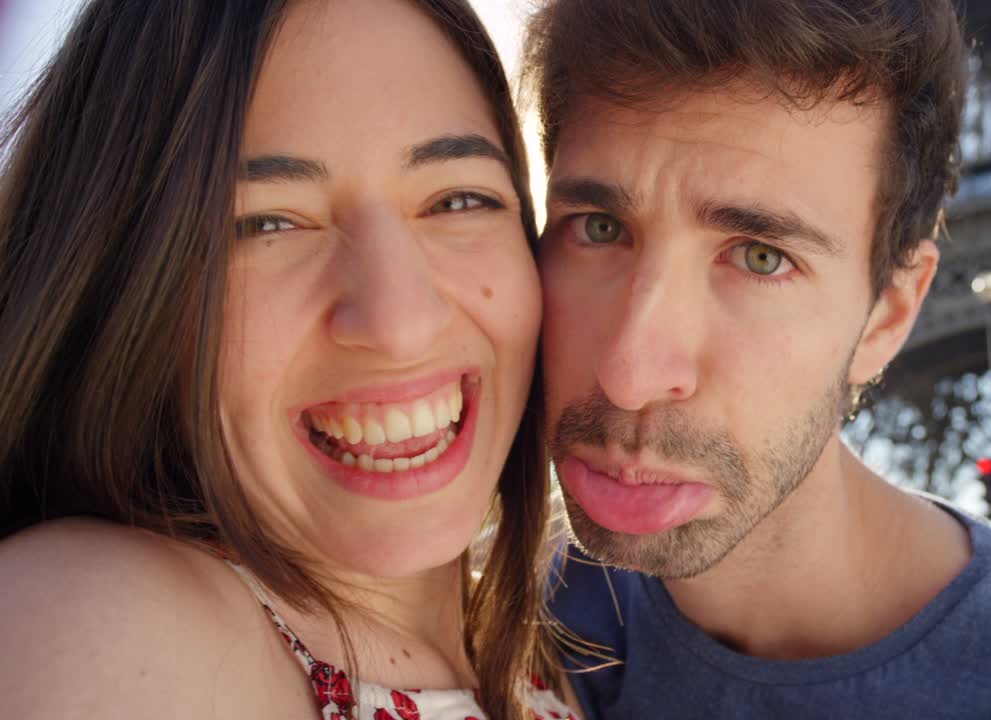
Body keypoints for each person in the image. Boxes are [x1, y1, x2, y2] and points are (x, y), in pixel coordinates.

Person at [523, 1, 991, 717]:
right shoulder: (490, 614)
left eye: (761, 258)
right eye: (598, 228)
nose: (628, 374)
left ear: (890, 312)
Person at [0, 1, 573, 718]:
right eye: (268, 223)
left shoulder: (553, 650)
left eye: (458, 199)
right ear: (123, 281)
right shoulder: (101, 627)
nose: (401, 323)